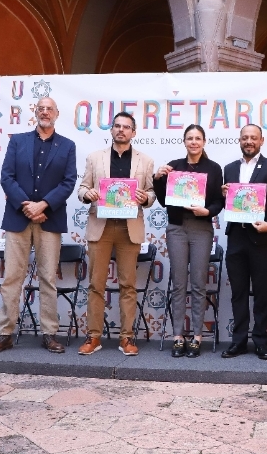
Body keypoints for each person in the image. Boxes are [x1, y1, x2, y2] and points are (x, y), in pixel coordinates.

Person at [0, 97, 77, 355]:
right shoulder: (18, 141)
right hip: (18, 218)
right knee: (12, 277)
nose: (45, 112)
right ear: (35, 112)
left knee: (48, 278)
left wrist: (43, 205)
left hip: (50, 219)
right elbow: (7, 177)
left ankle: (49, 334)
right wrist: (28, 206)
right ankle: (5, 334)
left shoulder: (67, 146)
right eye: (41, 108)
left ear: (57, 113)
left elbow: (68, 182)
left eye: (49, 109)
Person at [77, 112, 156, 356]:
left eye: (126, 127)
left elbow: (151, 193)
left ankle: (127, 338)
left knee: (128, 285)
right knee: (96, 284)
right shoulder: (94, 158)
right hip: (100, 226)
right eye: (117, 126)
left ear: (134, 132)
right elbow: (82, 187)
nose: (121, 130)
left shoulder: (146, 161)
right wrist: (87, 194)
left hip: (128, 228)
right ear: (111, 130)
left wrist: (145, 198)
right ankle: (93, 336)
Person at [153, 125, 224, 358]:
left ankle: (196, 336)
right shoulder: (174, 166)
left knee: (199, 284)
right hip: (176, 228)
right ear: (184, 141)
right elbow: (164, 200)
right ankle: (177, 336)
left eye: (198, 138)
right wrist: (158, 179)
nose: (194, 142)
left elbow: (218, 201)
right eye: (190, 138)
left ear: (204, 142)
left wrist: (208, 211)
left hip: (201, 228)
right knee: (179, 284)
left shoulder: (213, 168)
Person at [220, 124, 267, 360]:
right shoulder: (229, 168)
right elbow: (228, 203)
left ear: (261, 141)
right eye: (245, 137)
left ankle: (261, 342)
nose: (249, 141)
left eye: (253, 138)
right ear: (239, 140)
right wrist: (224, 194)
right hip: (236, 237)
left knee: (262, 292)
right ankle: (238, 342)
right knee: (238, 292)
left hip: (261, 237)